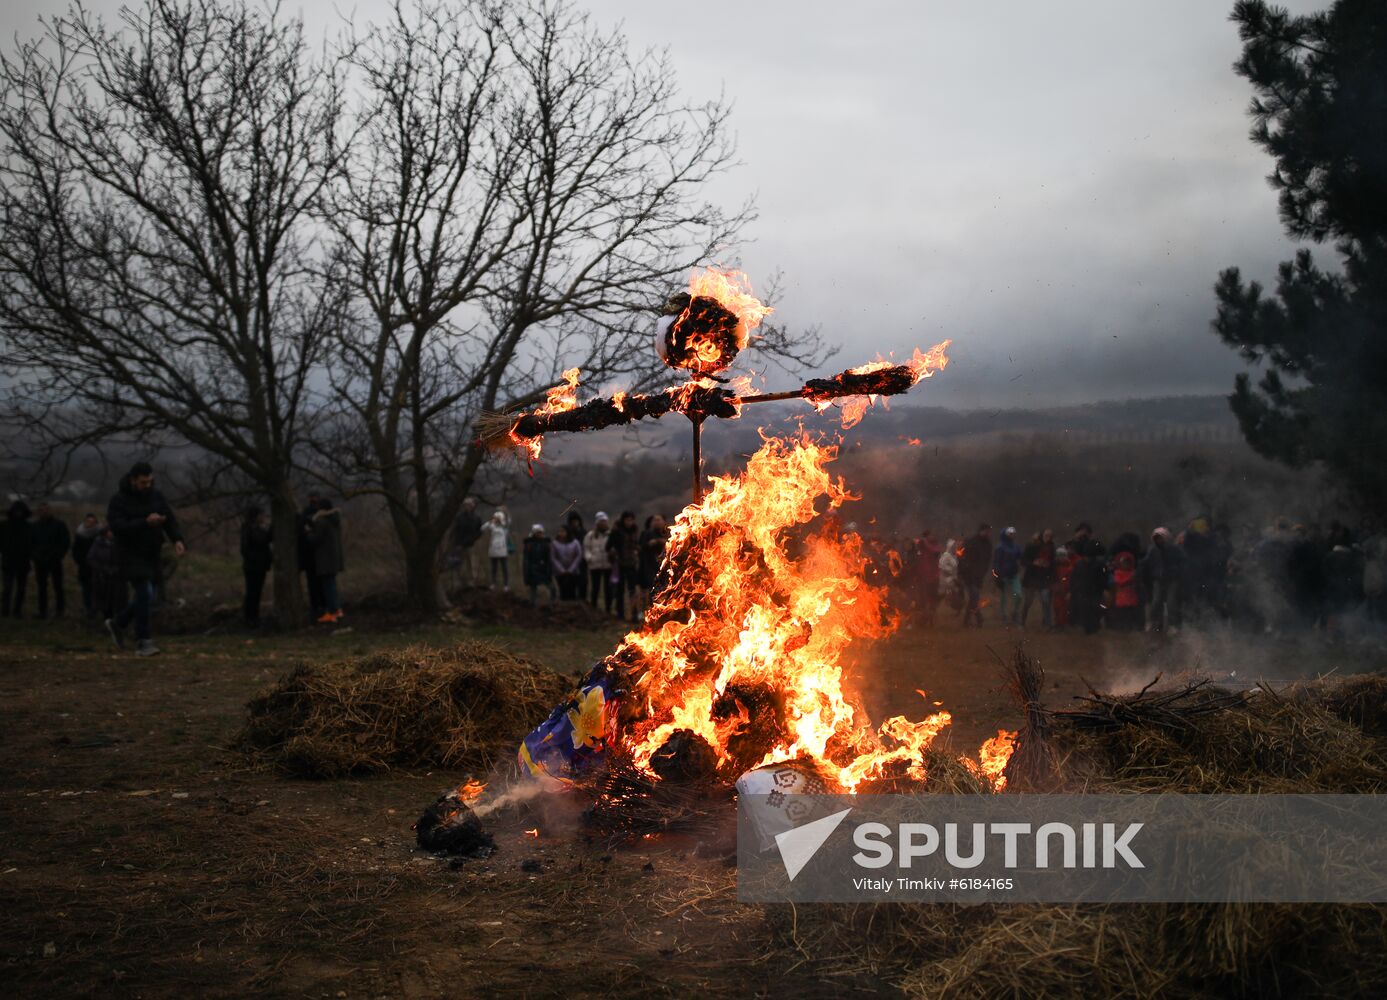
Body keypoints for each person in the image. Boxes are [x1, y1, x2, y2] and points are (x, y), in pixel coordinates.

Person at [106, 462, 185, 656]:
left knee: (148, 596)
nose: (147, 485)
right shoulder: (119, 500)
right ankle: (143, 640)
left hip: (151, 553)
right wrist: (144, 522)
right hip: (129, 554)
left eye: (150, 481)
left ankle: (119, 623)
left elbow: (169, 518)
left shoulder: (156, 496)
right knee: (144, 591)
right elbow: (117, 526)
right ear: (133, 480)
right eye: (143, 482)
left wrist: (177, 539)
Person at [30, 502, 71, 619]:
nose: (44, 512)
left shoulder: (59, 525)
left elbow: (65, 542)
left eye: (46, 509)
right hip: (39, 561)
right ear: (39, 512)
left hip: (55, 560)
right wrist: (35, 556)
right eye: (41, 510)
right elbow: (30, 544)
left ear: (50, 510)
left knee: (58, 586)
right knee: (41, 587)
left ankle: (60, 611)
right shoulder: (34, 526)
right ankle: (42, 611)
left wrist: (58, 555)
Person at [308, 497, 344, 622]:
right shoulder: (334, 519)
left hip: (324, 559)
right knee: (332, 585)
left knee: (328, 587)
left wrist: (308, 533)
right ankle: (337, 610)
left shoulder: (322, 521)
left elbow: (316, 539)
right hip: (333, 558)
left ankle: (331, 612)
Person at [1141, 527, 1183, 634]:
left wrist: (1177, 571)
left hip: (1172, 579)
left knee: (1171, 602)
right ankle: (1153, 622)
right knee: (1156, 601)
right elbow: (1146, 562)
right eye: (1157, 538)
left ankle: (1173, 625)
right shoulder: (1153, 549)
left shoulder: (1175, 549)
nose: (1159, 540)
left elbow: (1183, 561)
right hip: (1158, 579)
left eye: (1161, 538)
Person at [240, 504, 273, 626]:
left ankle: (252, 617)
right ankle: (251, 618)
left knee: (255, 592)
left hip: (256, 566)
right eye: (261, 515)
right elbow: (262, 540)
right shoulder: (251, 529)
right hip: (254, 566)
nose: (264, 517)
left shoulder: (251, 528)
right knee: (253, 592)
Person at [607, 511, 642, 622]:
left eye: (631, 520)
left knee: (633, 590)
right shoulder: (616, 531)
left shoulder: (634, 530)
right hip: (619, 564)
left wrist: (637, 549)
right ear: (623, 520)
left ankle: (634, 614)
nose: (629, 522)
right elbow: (608, 546)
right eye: (627, 520)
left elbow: (637, 544)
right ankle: (620, 614)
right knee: (620, 590)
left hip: (631, 563)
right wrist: (614, 553)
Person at [957, 523, 993, 628]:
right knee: (975, 595)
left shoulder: (988, 544)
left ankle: (967, 621)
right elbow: (961, 556)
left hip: (979, 575)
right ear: (981, 530)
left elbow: (987, 559)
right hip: (968, 574)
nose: (987, 533)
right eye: (986, 531)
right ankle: (979, 619)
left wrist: (984, 571)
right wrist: (963, 570)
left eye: (989, 531)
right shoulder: (971, 541)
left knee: (974, 598)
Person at [1, 500, 32, 617]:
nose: (18, 513)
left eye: (20, 511)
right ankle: (5, 610)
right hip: (8, 561)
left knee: (21, 589)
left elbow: (31, 544)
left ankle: (17, 611)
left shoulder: (28, 527)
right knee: (7, 589)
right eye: (16, 511)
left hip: (23, 562)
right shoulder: (3, 525)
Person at [1020, 529, 1055, 629]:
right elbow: (1023, 561)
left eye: (1050, 536)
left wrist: (1048, 566)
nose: (1048, 537)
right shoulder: (1032, 546)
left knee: (1046, 600)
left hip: (1044, 578)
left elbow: (1052, 564)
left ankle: (1047, 624)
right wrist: (1033, 563)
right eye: (1046, 535)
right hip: (1031, 578)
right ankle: (1022, 622)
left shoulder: (1052, 548)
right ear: (1042, 536)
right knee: (1028, 601)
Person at [86, 522, 121, 622]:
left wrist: (115, 569)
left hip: (114, 577)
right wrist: (102, 568)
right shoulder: (97, 543)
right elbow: (90, 558)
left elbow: (121, 559)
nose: (112, 533)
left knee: (113, 600)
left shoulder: (116, 544)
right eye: (110, 531)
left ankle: (111, 620)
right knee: (100, 600)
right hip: (100, 577)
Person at [297, 493, 324, 621]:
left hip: (308, 556)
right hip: (316, 555)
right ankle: (321, 606)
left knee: (313, 584)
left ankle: (315, 607)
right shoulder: (321, 515)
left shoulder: (304, 514)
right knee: (320, 583)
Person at [992, 526, 1022, 627]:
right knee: (1003, 597)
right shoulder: (1000, 547)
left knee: (1018, 595)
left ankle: (1015, 613)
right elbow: (996, 562)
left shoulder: (1016, 546)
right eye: (1010, 534)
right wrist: (996, 575)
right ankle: (1004, 615)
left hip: (1013, 574)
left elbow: (1021, 557)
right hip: (1003, 575)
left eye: (1013, 534)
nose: (1012, 536)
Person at [72, 513, 101, 618]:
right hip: (84, 567)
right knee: (86, 590)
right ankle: (88, 609)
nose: (90, 524)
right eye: (88, 521)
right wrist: (80, 561)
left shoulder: (99, 534)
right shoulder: (79, 534)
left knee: (96, 590)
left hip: (97, 568)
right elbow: (75, 550)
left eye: (92, 522)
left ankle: (96, 609)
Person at [583, 512, 614, 612]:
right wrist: (589, 558)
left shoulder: (611, 535)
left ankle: (608, 609)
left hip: (607, 565)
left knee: (608, 589)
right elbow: (586, 548)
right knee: (595, 589)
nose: (603, 523)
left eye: (604, 521)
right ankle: (593, 609)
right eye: (601, 521)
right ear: (597, 523)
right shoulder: (590, 535)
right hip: (594, 565)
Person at [450, 498, 483, 588]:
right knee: (458, 563)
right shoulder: (459, 517)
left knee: (472, 564)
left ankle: (471, 582)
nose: (468, 506)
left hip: (471, 544)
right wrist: (456, 543)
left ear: (473, 506)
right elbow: (455, 531)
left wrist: (474, 539)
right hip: (460, 544)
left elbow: (479, 531)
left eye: (470, 505)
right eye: (466, 505)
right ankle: (458, 583)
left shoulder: (477, 517)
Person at [913, 530, 942, 627]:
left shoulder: (935, 545)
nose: (930, 538)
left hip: (933, 577)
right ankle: (923, 620)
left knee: (932, 600)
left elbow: (935, 551)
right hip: (923, 578)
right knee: (922, 601)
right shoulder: (920, 548)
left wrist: (926, 543)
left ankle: (931, 620)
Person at [639, 514, 670, 604]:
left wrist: (660, 542)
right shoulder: (646, 533)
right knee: (651, 588)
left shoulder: (668, 532)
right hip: (650, 565)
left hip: (665, 566)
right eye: (654, 520)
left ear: (664, 521)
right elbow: (641, 547)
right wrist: (649, 544)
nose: (656, 522)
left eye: (658, 520)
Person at [480, 508, 512, 590]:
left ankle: (506, 585)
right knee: (494, 567)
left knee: (504, 568)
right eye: (496, 518)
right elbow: (482, 528)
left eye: (498, 518)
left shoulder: (504, 526)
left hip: (502, 549)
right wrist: (490, 522)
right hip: (493, 549)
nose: (497, 519)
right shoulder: (492, 525)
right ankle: (493, 583)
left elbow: (509, 520)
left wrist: (505, 511)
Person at [522, 524, 555, 605]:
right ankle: (532, 605)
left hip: (543, 569)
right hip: (533, 570)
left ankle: (552, 603)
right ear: (534, 533)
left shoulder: (546, 544)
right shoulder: (529, 544)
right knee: (533, 589)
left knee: (552, 588)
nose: (540, 534)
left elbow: (549, 559)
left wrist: (549, 571)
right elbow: (526, 560)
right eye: (538, 533)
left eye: (541, 533)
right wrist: (527, 573)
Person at [550, 525, 583, 600]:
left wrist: (571, 569)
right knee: (563, 591)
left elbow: (579, 555)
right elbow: (553, 557)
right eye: (560, 531)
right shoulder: (555, 543)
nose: (560, 533)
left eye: (563, 531)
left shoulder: (575, 543)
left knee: (572, 591)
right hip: (560, 572)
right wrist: (561, 570)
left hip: (573, 572)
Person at [565, 511, 588, 601]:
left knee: (583, 584)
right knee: (571, 584)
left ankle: (583, 601)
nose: (575, 523)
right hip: (570, 562)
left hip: (582, 562)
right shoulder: (567, 534)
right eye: (573, 521)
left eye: (576, 521)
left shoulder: (584, 532)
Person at [938, 537, 960, 617]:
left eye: (955, 547)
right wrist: (949, 571)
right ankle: (932, 610)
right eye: (953, 547)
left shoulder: (954, 556)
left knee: (955, 595)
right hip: (945, 579)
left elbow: (956, 567)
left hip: (953, 580)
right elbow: (941, 566)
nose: (954, 548)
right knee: (941, 596)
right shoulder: (945, 555)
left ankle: (957, 610)